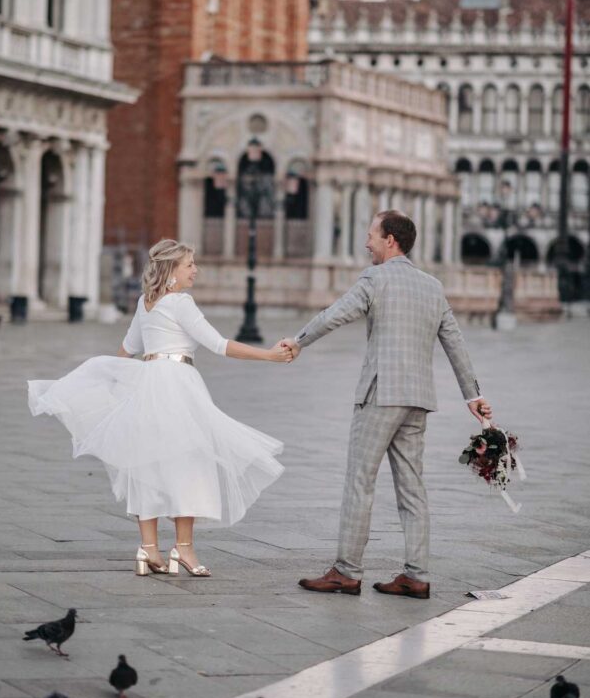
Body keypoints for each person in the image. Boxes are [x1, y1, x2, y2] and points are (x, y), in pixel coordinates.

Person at [28, 239, 292, 578]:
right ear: (171, 272)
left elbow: (128, 349)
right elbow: (218, 345)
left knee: (146, 464)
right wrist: (269, 355)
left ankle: (148, 549)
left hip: (148, 382)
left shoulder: (145, 303)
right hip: (177, 384)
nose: (195, 270)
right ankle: (183, 549)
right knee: (191, 462)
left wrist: (118, 385)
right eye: (189, 265)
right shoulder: (182, 303)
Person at [281, 210, 492, 600]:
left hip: (381, 395)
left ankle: (346, 571)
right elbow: (455, 342)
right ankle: (417, 575)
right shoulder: (432, 286)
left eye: (371, 236)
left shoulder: (375, 278)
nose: (367, 243)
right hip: (418, 400)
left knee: (360, 481)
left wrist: (299, 340)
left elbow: (336, 314)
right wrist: (473, 395)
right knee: (412, 488)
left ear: (390, 240)